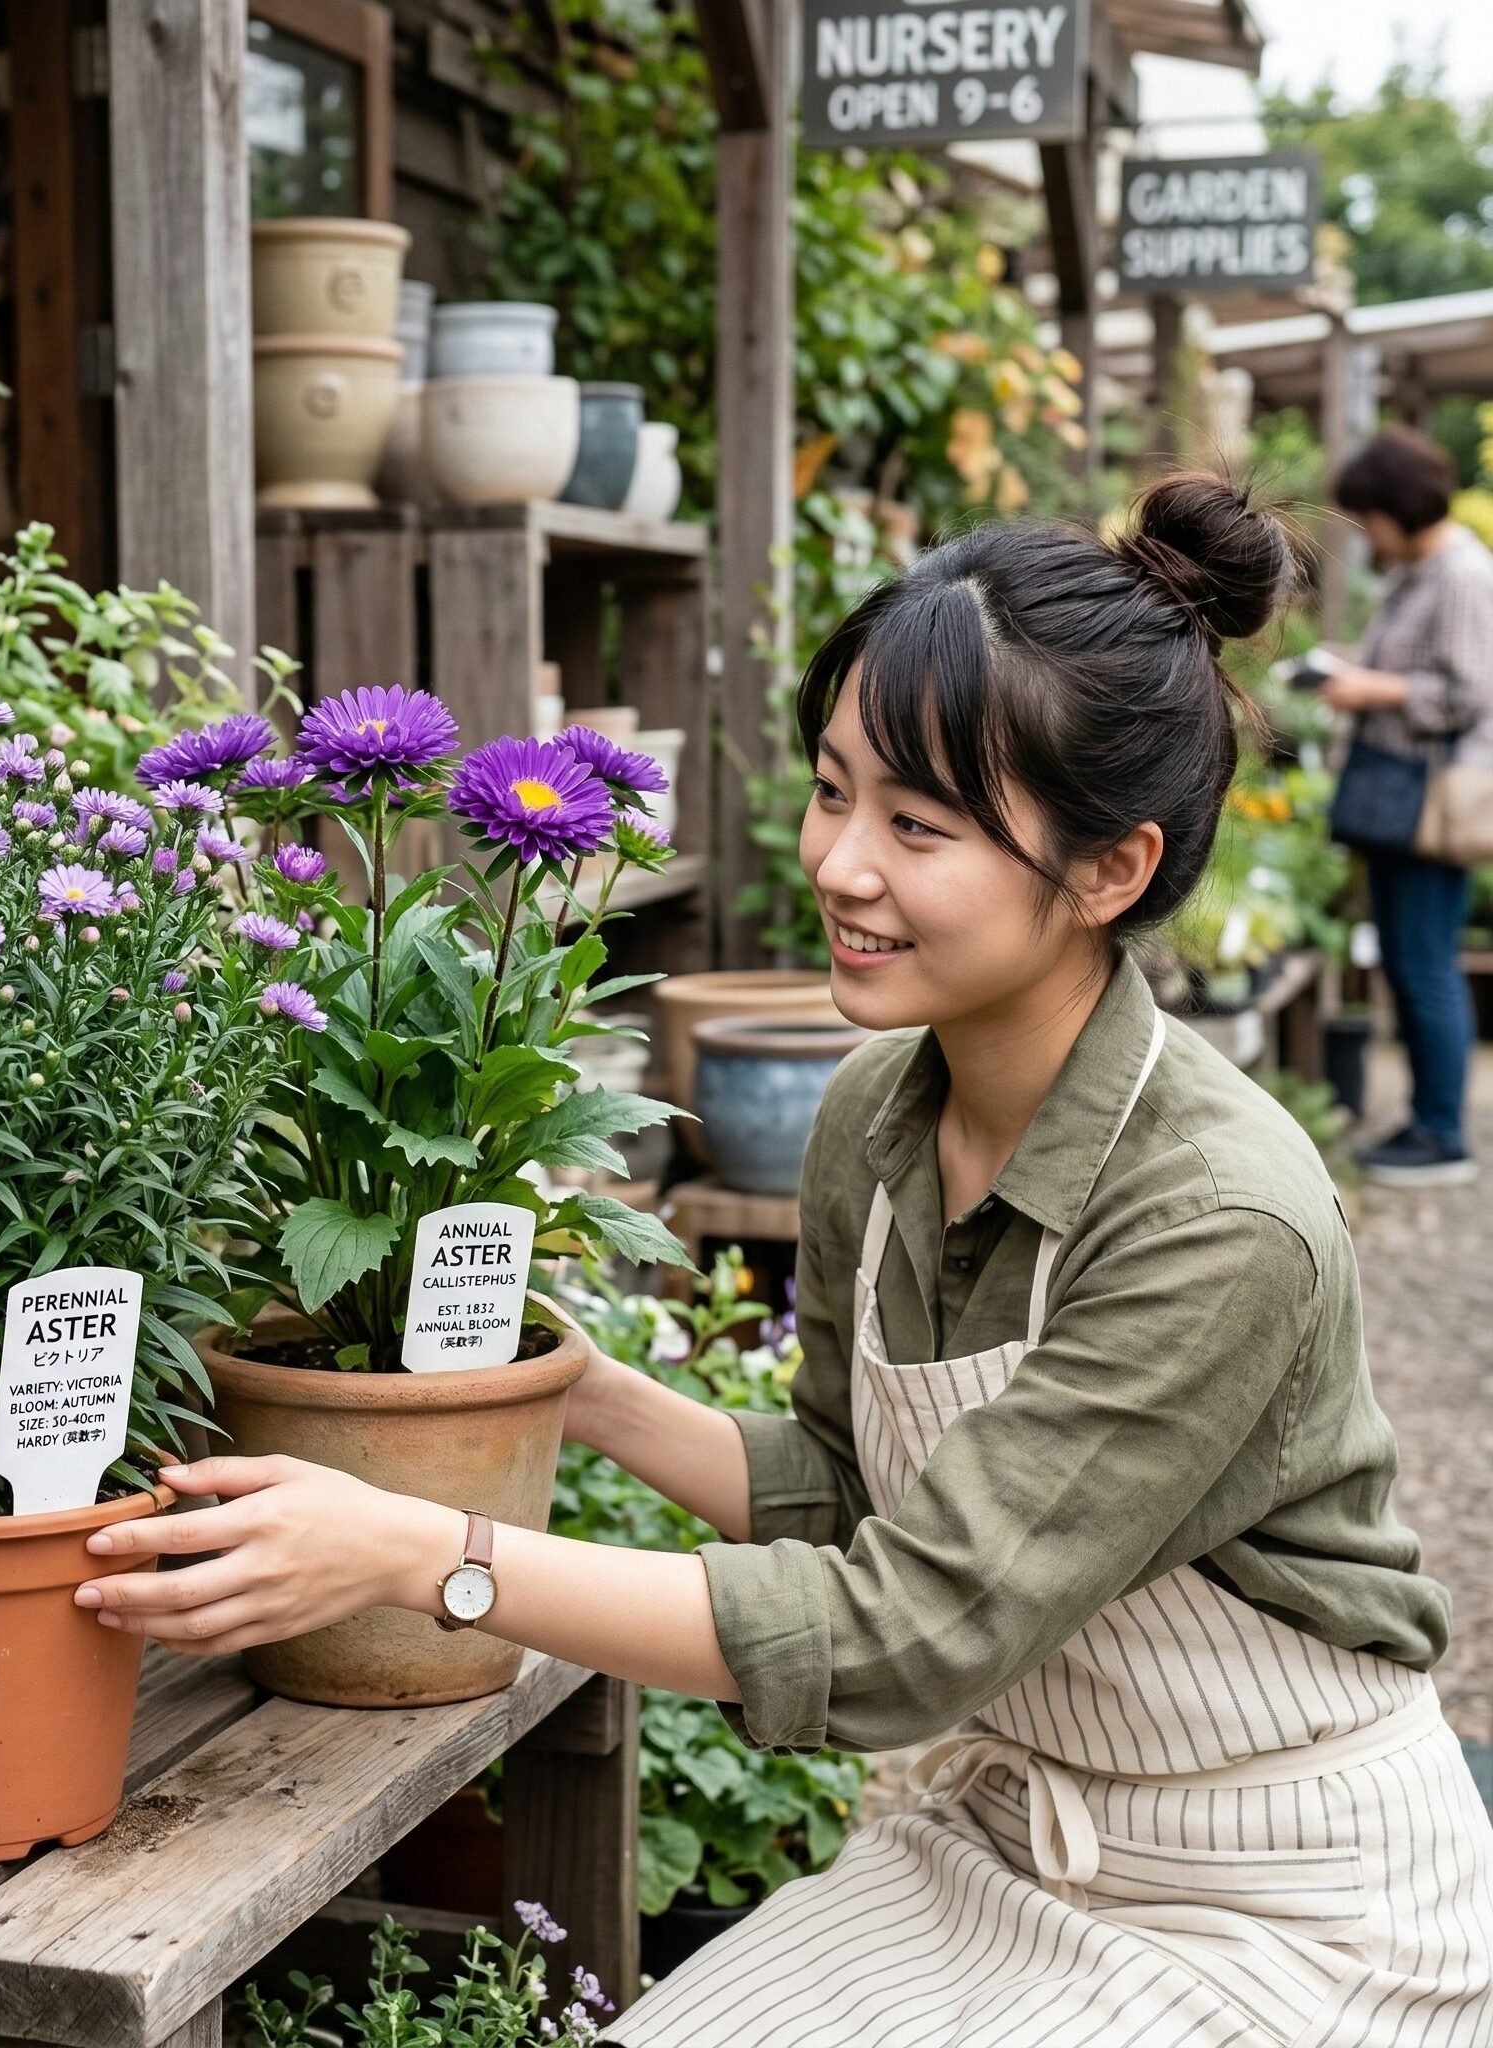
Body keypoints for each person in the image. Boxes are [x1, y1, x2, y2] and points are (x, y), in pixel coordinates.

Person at [75, 476, 1493, 2045]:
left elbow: (899, 1635)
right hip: (1010, 1842)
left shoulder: (1214, 1216)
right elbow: (843, 1485)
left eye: (919, 826)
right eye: (834, 791)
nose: (840, 865)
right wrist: (582, 1391)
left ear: (1112, 870)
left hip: (1286, 1906)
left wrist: (424, 1555)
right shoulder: (881, 1113)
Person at [1324, 426, 1493, 1186]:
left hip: (1430, 798)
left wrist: (1371, 690)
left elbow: (1469, 694)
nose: (1368, 533)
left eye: (1370, 516)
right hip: (1400, 793)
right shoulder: (1418, 573)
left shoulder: (1462, 575)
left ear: (1398, 507)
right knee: (1407, 956)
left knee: (1424, 962)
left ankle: (1442, 1135)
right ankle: (1426, 1120)